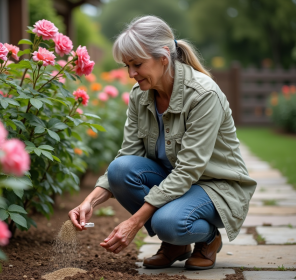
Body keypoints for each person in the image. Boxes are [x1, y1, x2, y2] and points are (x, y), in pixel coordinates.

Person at [68, 15, 257, 270]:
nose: (131, 73)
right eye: (127, 65)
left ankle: (207, 239)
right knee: (120, 170)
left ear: (163, 58)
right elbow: (127, 155)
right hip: (175, 182)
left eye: (136, 64)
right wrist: (90, 201)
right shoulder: (140, 96)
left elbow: (189, 169)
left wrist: (133, 223)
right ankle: (176, 245)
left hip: (216, 187)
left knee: (168, 223)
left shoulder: (204, 95)